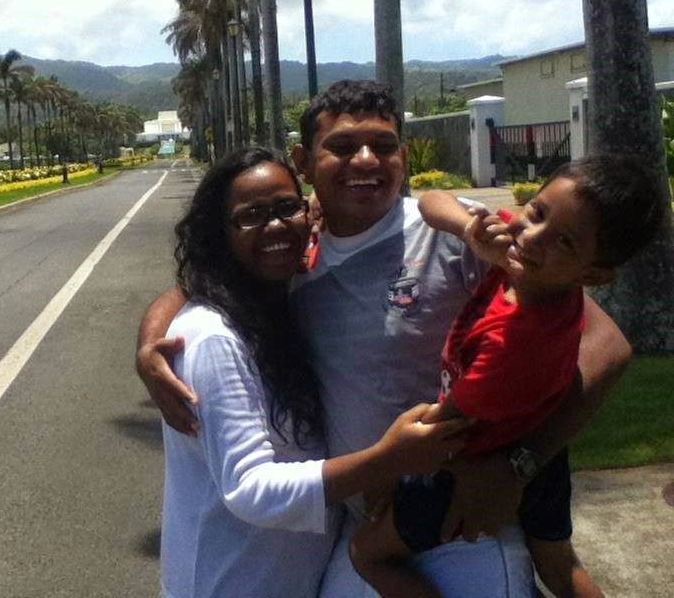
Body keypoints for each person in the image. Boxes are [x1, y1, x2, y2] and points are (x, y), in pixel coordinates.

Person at [137, 80, 631, 597]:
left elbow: (607, 345)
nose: (366, 160)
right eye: (342, 147)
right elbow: (210, 278)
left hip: (462, 527)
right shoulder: (294, 252)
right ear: (305, 162)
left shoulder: (460, 234)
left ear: (404, 157)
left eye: (384, 145)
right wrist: (150, 343)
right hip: (362, 530)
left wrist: (518, 465)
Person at [158, 146, 468, 598]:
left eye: (287, 207)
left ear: (309, 214)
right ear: (218, 234)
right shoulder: (212, 337)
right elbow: (249, 489)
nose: (275, 225)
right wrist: (388, 459)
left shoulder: (286, 302)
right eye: (251, 216)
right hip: (226, 583)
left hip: (299, 578)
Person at [349, 154, 665, 598]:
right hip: (539, 454)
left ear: (593, 274)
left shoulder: (515, 343)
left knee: (367, 554)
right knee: (558, 564)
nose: (531, 236)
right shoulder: (531, 271)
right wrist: (469, 230)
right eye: (536, 211)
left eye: (564, 242)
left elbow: (443, 427)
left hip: (465, 467)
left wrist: (385, 472)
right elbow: (431, 200)